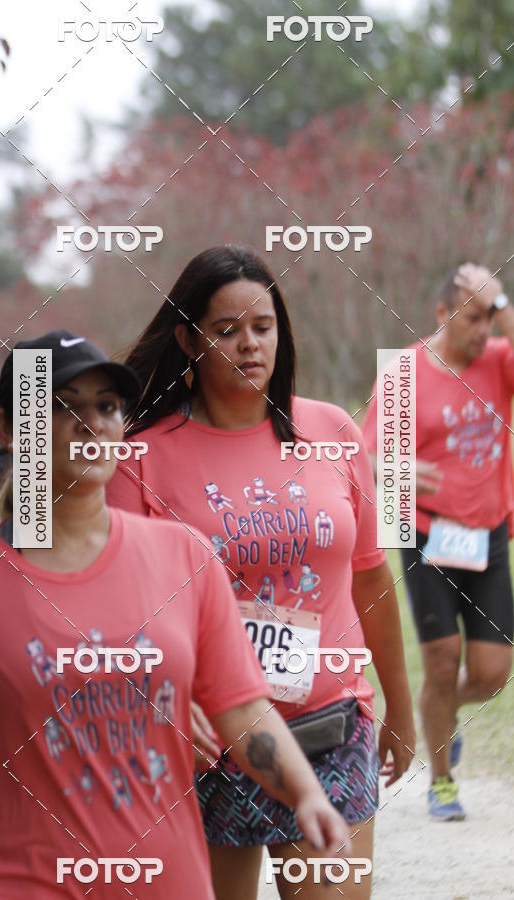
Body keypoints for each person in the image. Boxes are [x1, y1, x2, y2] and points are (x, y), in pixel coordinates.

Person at [0, 330, 350, 900]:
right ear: (7, 428)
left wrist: (307, 795)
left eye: (107, 406)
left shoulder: (183, 557)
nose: (91, 423)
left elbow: (241, 707)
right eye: (63, 406)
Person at [107, 246, 416, 900]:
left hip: (328, 726)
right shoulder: (140, 460)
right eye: (226, 331)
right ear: (188, 339)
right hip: (207, 744)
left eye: (262, 326)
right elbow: (116, 608)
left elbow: (370, 579)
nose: (249, 345)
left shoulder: (330, 430)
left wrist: (401, 710)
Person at [362, 262, 514, 821]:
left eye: (490, 318)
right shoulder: (404, 372)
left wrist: (500, 303)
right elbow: (367, 459)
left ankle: (442, 718)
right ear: (442, 314)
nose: (483, 330)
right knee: (442, 661)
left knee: (495, 672)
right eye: (472, 317)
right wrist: (396, 471)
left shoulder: (499, 360)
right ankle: (442, 783)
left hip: (489, 532)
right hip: (422, 528)